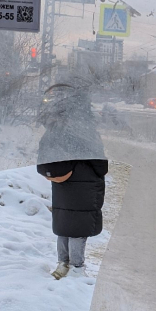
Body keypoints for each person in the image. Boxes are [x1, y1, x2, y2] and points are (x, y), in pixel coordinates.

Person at [37, 83, 109, 279]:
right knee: (78, 227)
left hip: (61, 181)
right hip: (84, 182)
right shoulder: (83, 127)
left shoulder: (55, 126)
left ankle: (62, 263)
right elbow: (99, 161)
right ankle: (77, 267)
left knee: (64, 224)